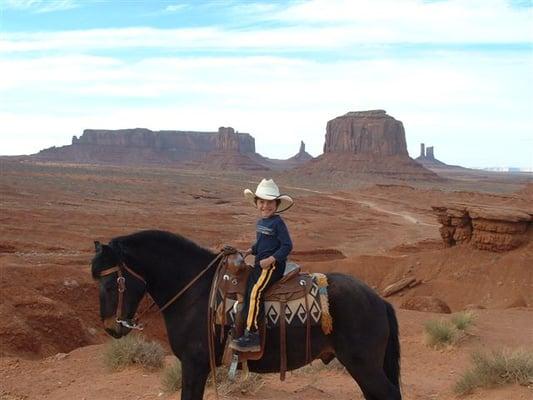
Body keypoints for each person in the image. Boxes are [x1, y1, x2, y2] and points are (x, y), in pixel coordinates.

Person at [230, 178, 294, 352]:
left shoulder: (278, 223)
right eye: (262, 202)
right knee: (247, 287)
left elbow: (287, 246)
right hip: (260, 264)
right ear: (256, 203)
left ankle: (252, 334)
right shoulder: (261, 223)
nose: (265, 206)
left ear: (277, 204)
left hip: (272, 267)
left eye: (270, 202)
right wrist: (250, 250)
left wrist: (272, 259)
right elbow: (261, 244)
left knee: (255, 293)